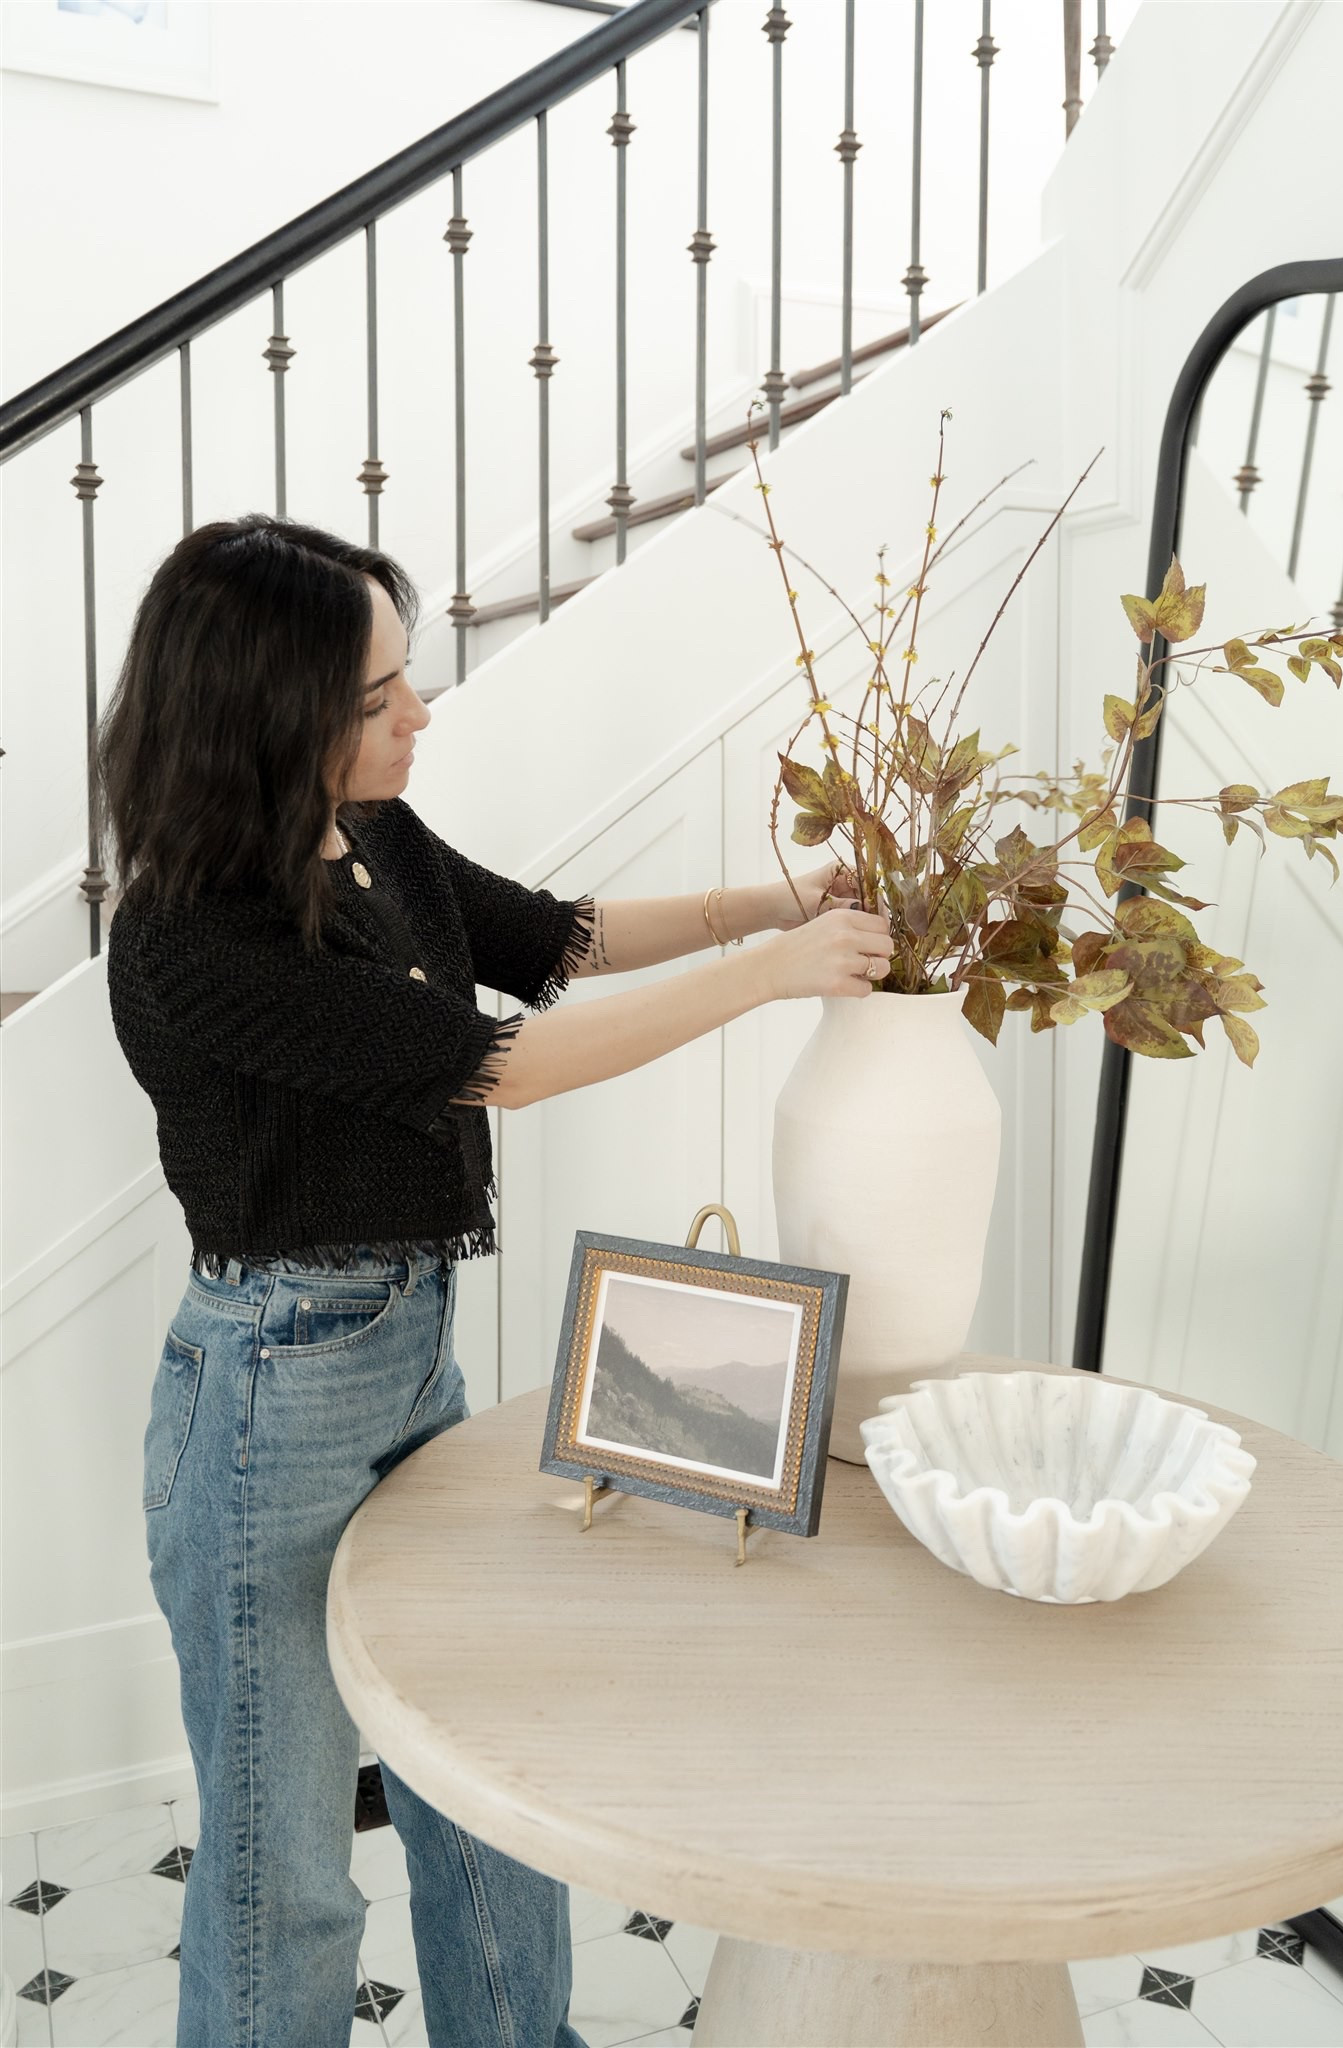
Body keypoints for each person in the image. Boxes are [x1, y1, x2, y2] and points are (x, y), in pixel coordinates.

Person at [97, 511, 894, 2048]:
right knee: (285, 1863)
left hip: (408, 1355)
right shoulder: (190, 938)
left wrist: (777, 905)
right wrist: (766, 980)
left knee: (485, 1776)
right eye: (378, 697)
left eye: (409, 677)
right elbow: (498, 1064)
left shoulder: (372, 837)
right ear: (270, 720)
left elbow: (558, 941)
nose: (420, 711)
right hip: (270, 1399)